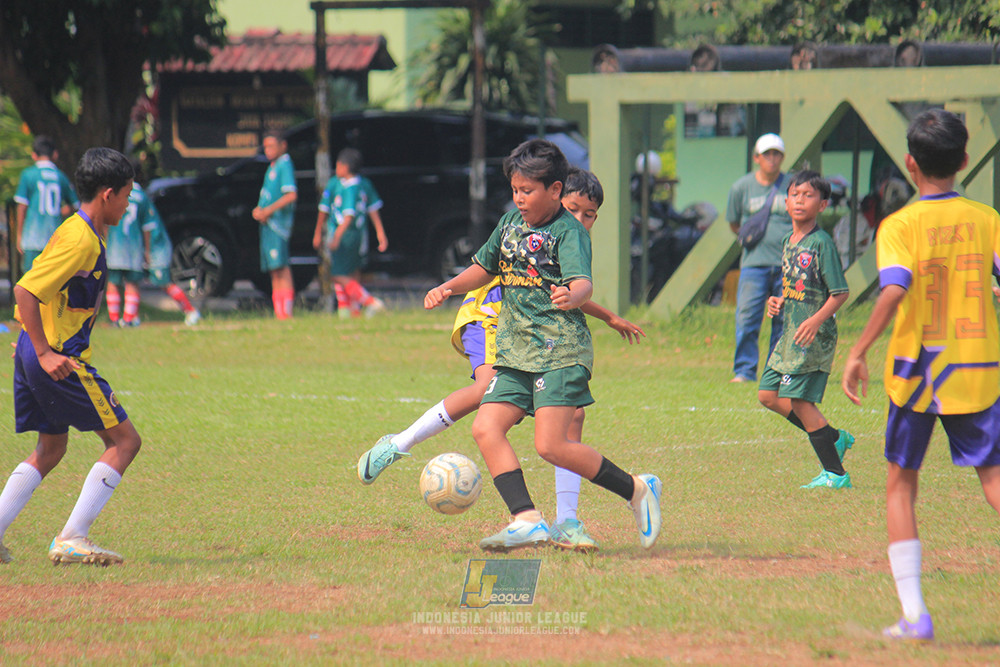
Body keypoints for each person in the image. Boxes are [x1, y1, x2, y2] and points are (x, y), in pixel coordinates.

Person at [357, 167, 645, 552]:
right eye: (573, 210)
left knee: (572, 416)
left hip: (537, 333)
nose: (580, 220)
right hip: (490, 315)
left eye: (588, 214)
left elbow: (559, 289)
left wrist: (606, 315)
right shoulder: (528, 225)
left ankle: (568, 521)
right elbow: (500, 272)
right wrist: (447, 287)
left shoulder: (565, 235)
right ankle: (398, 443)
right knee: (486, 393)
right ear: (556, 198)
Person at [424, 139, 661, 553]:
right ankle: (528, 519)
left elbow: (583, 280)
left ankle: (638, 490)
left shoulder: (569, 233)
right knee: (485, 426)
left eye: (527, 191)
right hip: (515, 350)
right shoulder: (510, 223)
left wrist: (576, 295)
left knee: (550, 445)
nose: (520, 198)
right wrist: (447, 287)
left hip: (560, 351)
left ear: (555, 190)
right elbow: (483, 267)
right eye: (515, 190)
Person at [841, 109, 1000, 641]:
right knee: (995, 480)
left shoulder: (900, 224)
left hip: (916, 373)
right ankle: (913, 617)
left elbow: (894, 288)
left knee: (900, 485)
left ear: (910, 164)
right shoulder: (987, 218)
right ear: (964, 160)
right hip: (977, 369)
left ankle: (915, 616)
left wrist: (858, 350)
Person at [0, 147, 141, 566]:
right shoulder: (80, 240)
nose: (129, 203)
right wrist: (41, 350)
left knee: (51, 448)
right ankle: (72, 537)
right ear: (107, 194)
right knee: (125, 441)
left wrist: (28, 339)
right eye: (127, 195)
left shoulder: (77, 230)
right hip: (58, 358)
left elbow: (44, 284)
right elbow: (26, 289)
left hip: (37, 348)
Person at [757, 171, 854, 489]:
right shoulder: (789, 241)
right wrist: (779, 300)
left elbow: (839, 292)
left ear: (823, 204)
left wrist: (815, 321)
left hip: (813, 335)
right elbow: (796, 283)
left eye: (809, 195)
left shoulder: (822, 243)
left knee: (800, 401)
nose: (800, 200)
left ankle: (836, 474)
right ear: (785, 202)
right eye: (795, 194)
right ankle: (833, 437)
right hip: (791, 332)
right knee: (768, 395)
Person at [727, 132, 793, 383]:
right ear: (757, 158)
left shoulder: (792, 184)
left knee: (784, 320)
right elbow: (734, 223)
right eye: (767, 154)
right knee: (747, 316)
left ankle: (774, 371)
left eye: (777, 154)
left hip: (787, 265)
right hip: (754, 264)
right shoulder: (741, 187)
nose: (772, 159)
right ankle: (744, 370)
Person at [313, 148, 387, 318]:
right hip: (347, 234)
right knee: (348, 273)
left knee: (339, 273)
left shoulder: (355, 186)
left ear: (345, 166)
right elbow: (323, 210)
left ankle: (369, 302)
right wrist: (318, 233)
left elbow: (360, 213)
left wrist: (380, 233)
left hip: (348, 234)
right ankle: (350, 311)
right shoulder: (334, 183)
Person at [130, 158, 201, 326]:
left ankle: (191, 311)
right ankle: (131, 318)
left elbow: (147, 228)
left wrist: (147, 251)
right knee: (131, 281)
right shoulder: (132, 194)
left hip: (156, 246)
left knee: (163, 282)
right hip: (146, 247)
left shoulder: (136, 196)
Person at [14, 135, 79, 272]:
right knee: (51, 281)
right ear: (55, 155)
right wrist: (59, 214)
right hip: (54, 238)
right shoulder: (61, 177)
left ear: (34, 155)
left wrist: (19, 234)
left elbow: (22, 206)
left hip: (32, 237)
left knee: (30, 280)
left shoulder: (28, 175)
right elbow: (75, 205)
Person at [252, 129, 298, 320]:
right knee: (273, 269)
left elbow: (291, 195)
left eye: (272, 146)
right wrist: (258, 210)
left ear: (283, 145)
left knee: (282, 267)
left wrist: (268, 211)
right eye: (266, 147)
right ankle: (279, 312)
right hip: (267, 225)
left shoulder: (285, 165)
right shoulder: (272, 166)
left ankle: (286, 312)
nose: (268, 150)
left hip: (278, 225)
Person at [105, 162, 149, 327]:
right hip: (134, 247)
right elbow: (147, 226)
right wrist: (147, 250)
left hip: (115, 245)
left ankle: (114, 319)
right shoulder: (142, 196)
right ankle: (129, 319)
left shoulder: (115, 192)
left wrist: (105, 240)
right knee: (132, 283)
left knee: (113, 282)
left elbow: (106, 221)